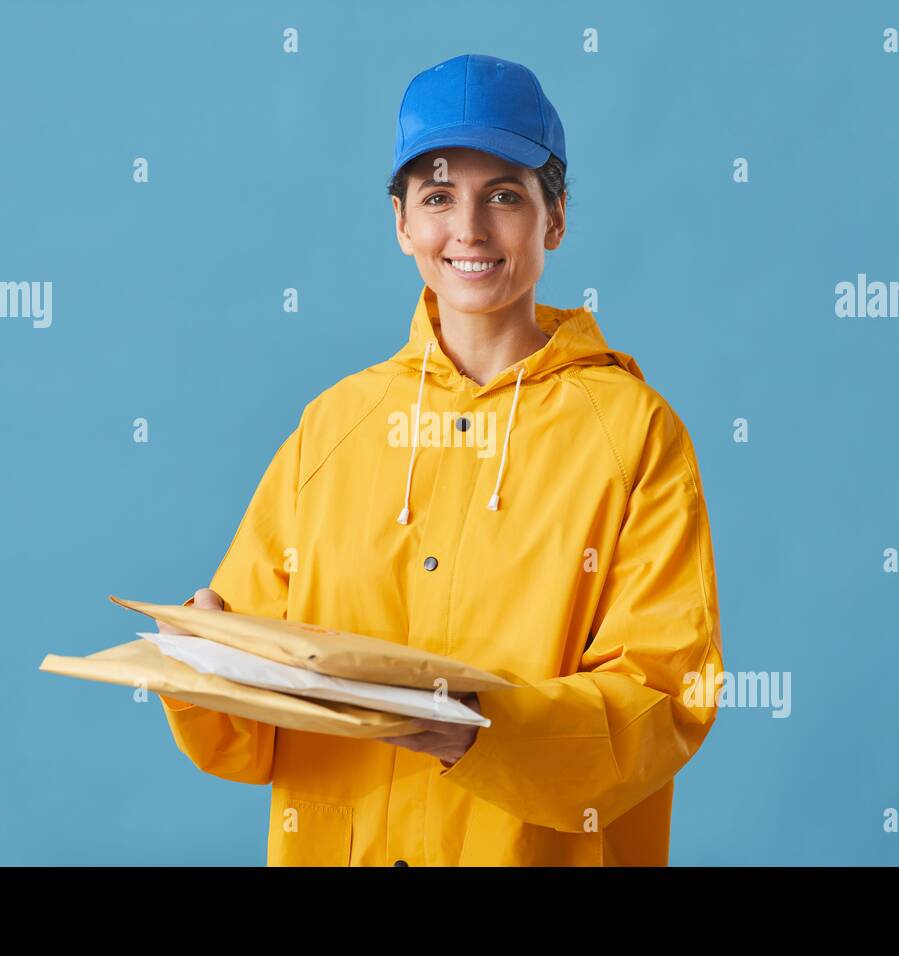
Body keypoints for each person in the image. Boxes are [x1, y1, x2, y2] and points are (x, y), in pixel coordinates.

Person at [157, 52, 724, 866]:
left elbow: (669, 695)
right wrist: (206, 663)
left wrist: (480, 730)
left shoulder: (634, 434)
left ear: (554, 219)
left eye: (504, 195)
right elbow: (248, 729)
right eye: (437, 197)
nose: (469, 229)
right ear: (402, 225)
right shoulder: (335, 425)